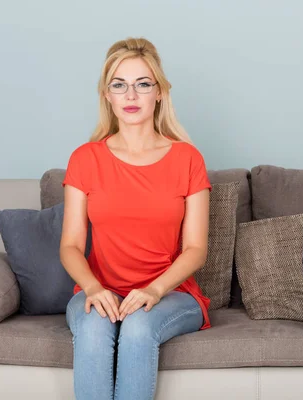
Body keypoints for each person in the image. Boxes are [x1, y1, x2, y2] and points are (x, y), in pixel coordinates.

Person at [60, 37, 212, 400]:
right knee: (96, 327)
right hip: (100, 290)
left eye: (142, 84)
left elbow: (195, 249)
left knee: (139, 325)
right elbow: (70, 246)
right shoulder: (85, 159)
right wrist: (94, 289)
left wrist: (154, 290)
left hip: (171, 294)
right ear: (107, 95)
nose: (131, 95)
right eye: (119, 85)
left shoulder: (187, 158)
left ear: (158, 92)